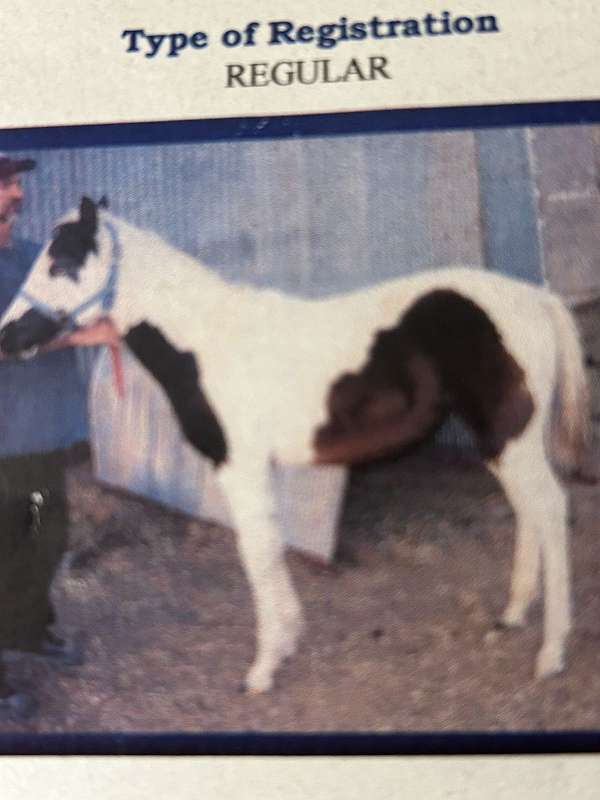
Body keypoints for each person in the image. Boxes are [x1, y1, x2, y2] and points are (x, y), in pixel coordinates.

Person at [0, 154, 88, 715]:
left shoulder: (30, 256)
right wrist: (78, 339)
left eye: (14, 184)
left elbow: (69, 302)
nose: (16, 194)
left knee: (44, 535)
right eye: (4, 184)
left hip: (38, 436)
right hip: (4, 441)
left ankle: (28, 628)